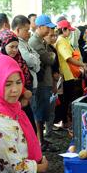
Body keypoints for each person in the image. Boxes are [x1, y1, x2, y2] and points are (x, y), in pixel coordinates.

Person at [29, 14, 57, 149]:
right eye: (48, 28)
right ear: (40, 27)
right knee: (39, 112)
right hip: (40, 83)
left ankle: (41, 140)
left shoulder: (41, 41)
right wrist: (52, 55)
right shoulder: (35, 42)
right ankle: (40, 142)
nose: (50, 31)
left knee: (42, 111)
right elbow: (49, 59)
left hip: (45, 80)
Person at [55, 19, 87, 129]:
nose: (70, 33)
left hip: (70, 74)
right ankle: (65, 121)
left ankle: (66, 120)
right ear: (63, 30)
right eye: (69, 30)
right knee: (67, 100)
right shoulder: (61, 41)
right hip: (66, 75)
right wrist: (81, 64)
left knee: (68, 99)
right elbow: (68, 58)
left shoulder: (64, 40)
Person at [0, 31, 35, 126]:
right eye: (11, 47)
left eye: (16, 47)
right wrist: (23, 93)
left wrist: (26, 96)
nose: (14, 50)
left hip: (24, 102)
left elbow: (27, 79)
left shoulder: (19, 59)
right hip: (9, 104)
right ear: (3, 45)